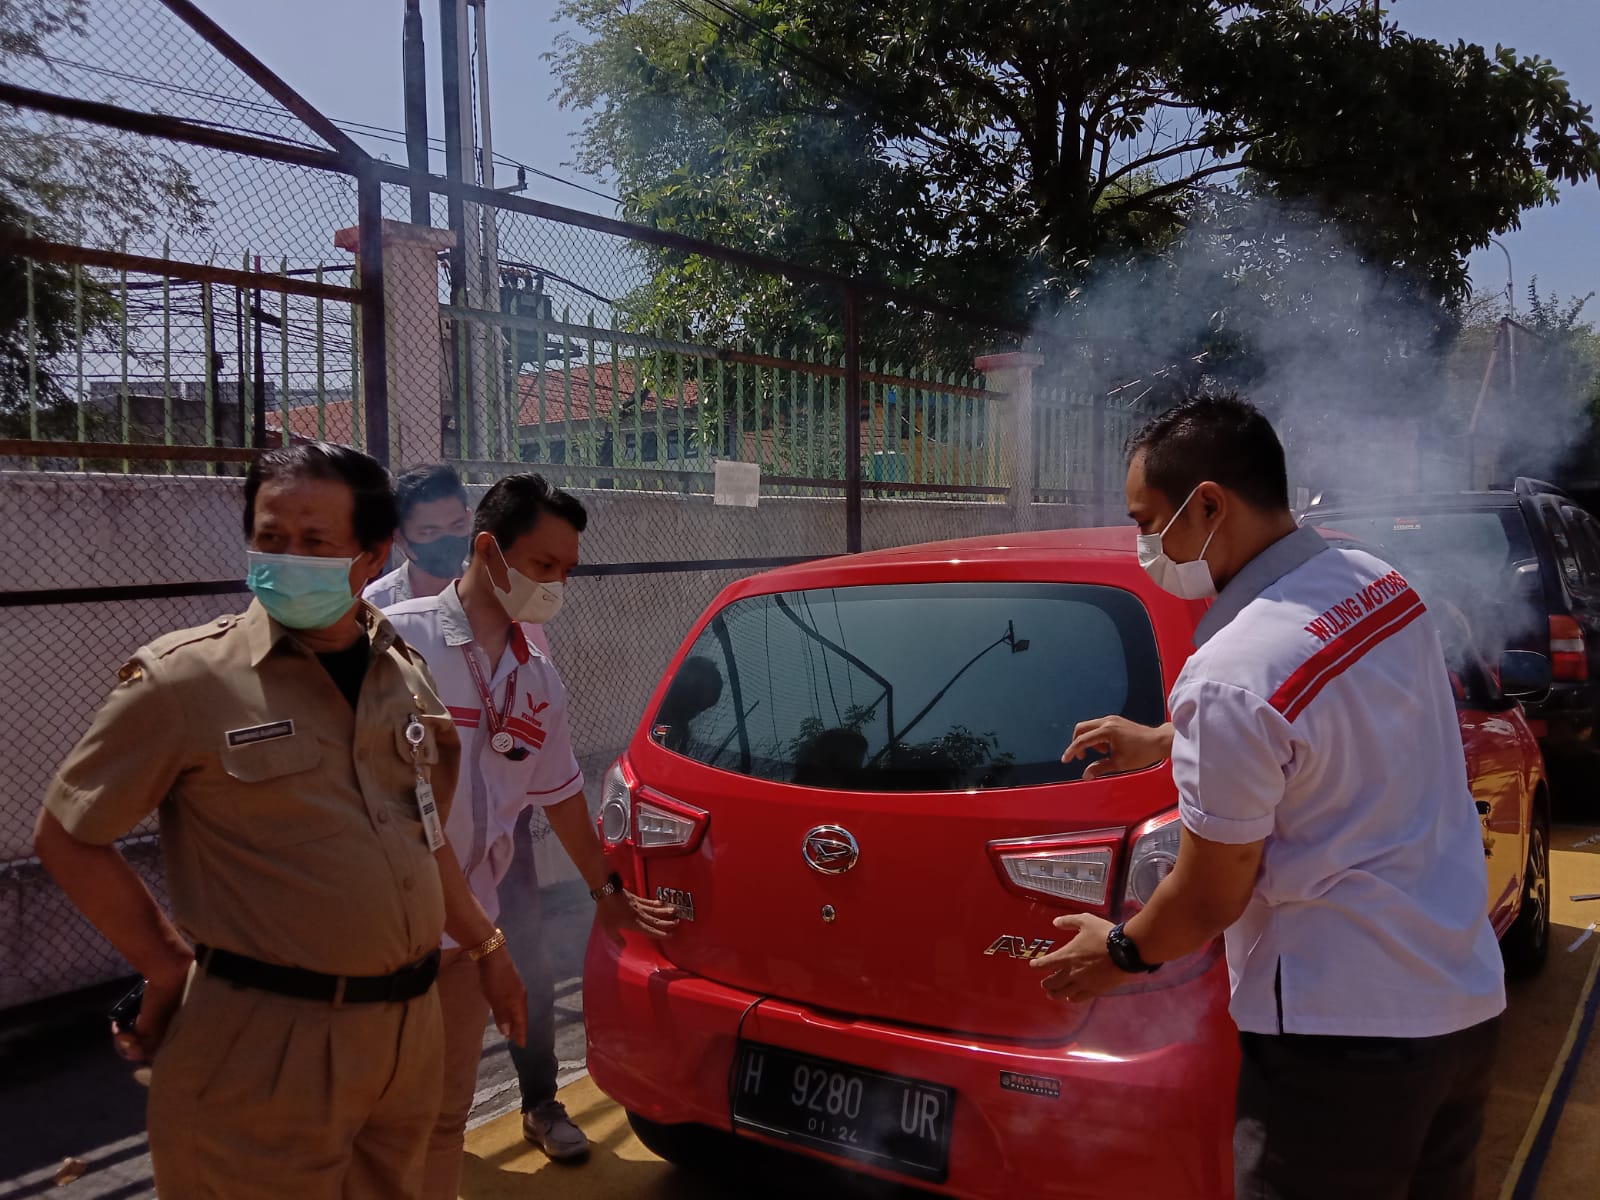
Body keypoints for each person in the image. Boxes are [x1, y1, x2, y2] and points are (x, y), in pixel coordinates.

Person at [1034, 396, 1505, 1200]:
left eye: (1150, 523)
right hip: (1460, 1007)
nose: (1147, 546)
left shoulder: (1230, 672)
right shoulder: (1380, 585)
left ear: (1210, 503)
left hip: (1339, 1046)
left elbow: (1212, 895)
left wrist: (1117, 953)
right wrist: (1168, 739)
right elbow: (1336, 734)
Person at [33, 442, 527, 1200]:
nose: (286, 559)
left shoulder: (403, 672)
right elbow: (70, 834)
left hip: (405, 1035)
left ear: (371, 554)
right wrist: (169, 967)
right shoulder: (186, 679)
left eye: (314, 543)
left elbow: (423, 836)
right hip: (264, 1048)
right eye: (271, 538)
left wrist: (488, 948)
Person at [382, 472, 678, 1196]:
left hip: (467, 937)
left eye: (565, 572)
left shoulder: (536, 676)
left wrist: (606, 890)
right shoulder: (394, 640)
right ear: (488, 551)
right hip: (382, 928)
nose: (555, 585)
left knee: (446, 1114)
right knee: (377, 1113)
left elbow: (563, 795)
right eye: (543, 566)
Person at [364, 462, 475, 609]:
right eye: (430, 532)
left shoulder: (496, 597)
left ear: (468, 519)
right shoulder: (377, 606)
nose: (447, 541)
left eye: (457, 526)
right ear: (399, 537)